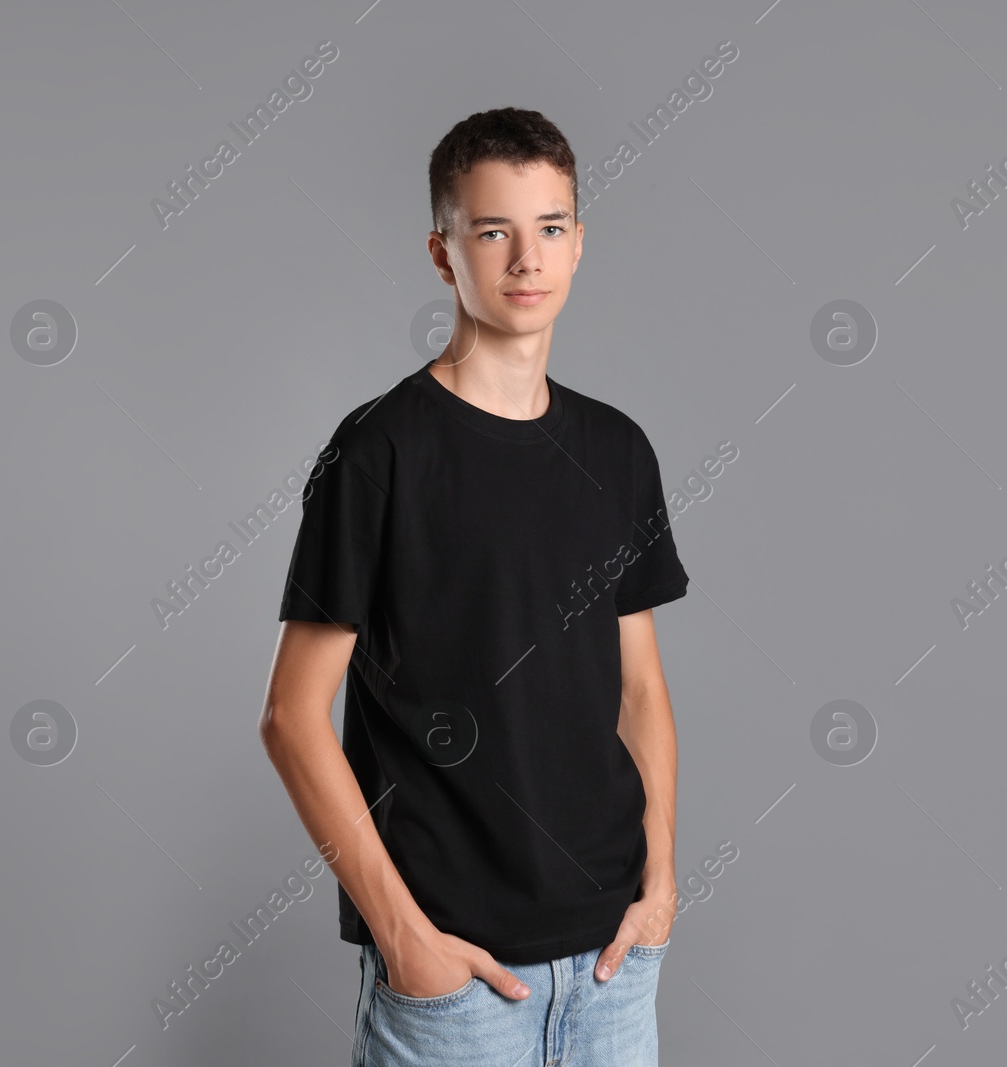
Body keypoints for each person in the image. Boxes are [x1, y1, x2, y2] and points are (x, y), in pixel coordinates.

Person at [259, 107, 690, 1067]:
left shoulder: (618, 450)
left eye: (549, 228)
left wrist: (659, 885)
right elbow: (292, 716)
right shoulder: (378, 452)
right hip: (455, 980)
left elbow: (642, 690)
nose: (525, 258)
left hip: (615, 969)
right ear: (443, 251)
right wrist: (406, 939)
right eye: (492, 230)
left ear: (579, 244)